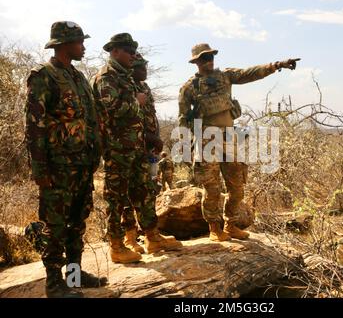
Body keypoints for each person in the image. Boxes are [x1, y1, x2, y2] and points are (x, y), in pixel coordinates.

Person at [178, 43, 299, 242]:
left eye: (210, 56)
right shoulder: (188, 88)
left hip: (229, 138)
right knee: (212, 189)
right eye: (203, 58)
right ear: (196, 62)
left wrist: (277, 65)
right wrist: (185, 149)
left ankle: (231, 225)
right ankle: (215, 229)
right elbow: (182, 119)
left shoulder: (225, 76)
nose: (208, 60)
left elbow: (250, 73)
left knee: (237, 186)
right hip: (207, 140)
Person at [25, 21, 107, 298]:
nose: (83, 47)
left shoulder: (79, 77)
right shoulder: (43, 76)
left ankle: (73, 277)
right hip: (57, 167)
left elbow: (91, 119)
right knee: (56, 225)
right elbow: (34, 125)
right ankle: (54, 283)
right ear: (63, 44)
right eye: (79, 42)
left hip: (82, 165)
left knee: (77, 223)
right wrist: (39, 167)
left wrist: (96, 153)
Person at [91, 34, 182, 263]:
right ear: (114, 51)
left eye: (134, 51)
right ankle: (117, 246)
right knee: (116, 198)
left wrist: (149, 137)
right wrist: (136, 102)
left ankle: (152, 237)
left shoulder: (127, 78)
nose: (133, 55)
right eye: (129, 51)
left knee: (144, 192)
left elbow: (139, 115)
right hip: (117, 149)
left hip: (137, 148)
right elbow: (111, 109)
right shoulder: (106, 77)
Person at [120, 53, 164, 254]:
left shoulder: (145, 87)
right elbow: (129, 119)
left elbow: (150, 116)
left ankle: (151, 235)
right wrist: (147, 136)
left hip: (148, 148)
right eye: (140, 66)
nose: (145, 69)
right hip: (130, 147)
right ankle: (130, 237)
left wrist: (155, 138)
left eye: (145, 65)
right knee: (128, 194)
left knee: (149, 190)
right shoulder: (128, 88)